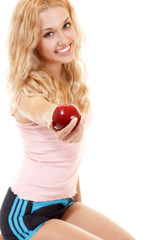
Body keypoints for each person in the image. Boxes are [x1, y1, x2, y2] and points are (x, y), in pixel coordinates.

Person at [0, 0, 135, 239]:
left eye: (66, 25)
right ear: (31, 42)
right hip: (26, 214)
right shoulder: (27, 93)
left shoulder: (71, 83)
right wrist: (54, 117)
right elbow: (41, 110)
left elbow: (68, 157)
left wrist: (78, 204)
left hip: (64, 205)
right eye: (49, 33)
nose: (63, 39)